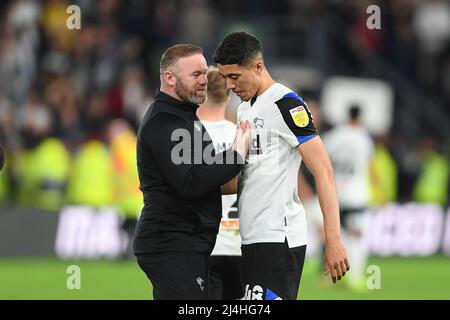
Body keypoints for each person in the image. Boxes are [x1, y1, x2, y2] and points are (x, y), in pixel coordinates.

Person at [213, 32, 349, 300]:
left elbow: (323, 171)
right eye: (225, 77)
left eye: (235, 77)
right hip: (251, 237)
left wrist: (333, 240)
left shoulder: (286, 104)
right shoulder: (244, 109)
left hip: (278, 238)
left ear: (258, 67)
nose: (229, 86)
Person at [133, 44, 251, 300]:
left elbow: (212, 177)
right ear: (169, 78)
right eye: (195, 75)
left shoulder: (186, 119)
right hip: (171, 243)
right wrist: (237, 154)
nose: (203, 81)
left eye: (204, 73)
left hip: (187, 243)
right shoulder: (164, 122)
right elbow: (192, 183)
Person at [197, 66, 243, 300]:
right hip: (240, 243)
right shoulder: (242, 136)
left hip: (204, 244)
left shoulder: (188, 136)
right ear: (229, 94)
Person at [322, 105, 375, 291]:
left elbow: (322, 157)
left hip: (336, 193)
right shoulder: (363, 137)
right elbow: (370, 165)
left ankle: (337, 274)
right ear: (359, 117)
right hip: (357, 194)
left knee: (339, 236)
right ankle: (355, 277)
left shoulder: (335, 135)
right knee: (358, 237)